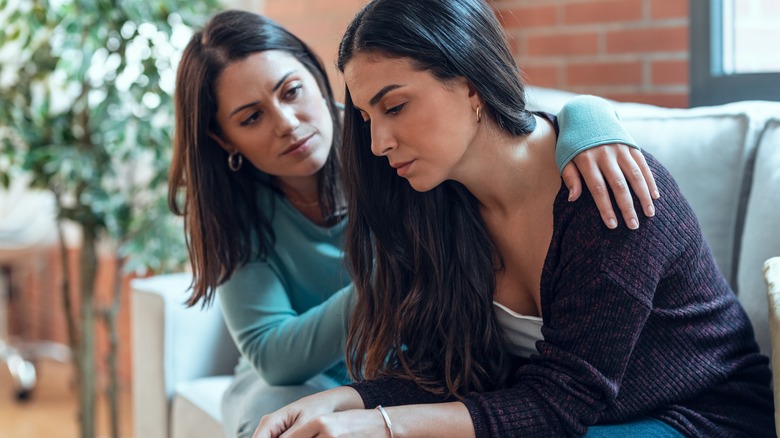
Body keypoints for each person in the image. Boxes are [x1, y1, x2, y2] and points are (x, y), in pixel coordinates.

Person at [251, 0, 775, 437]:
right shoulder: (440, 205)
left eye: (396, 107)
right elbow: (452, 378)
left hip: (697, 418)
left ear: (471, 84)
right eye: (367, 117)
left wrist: (382, 425)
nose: (378, 142)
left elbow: (560, 403)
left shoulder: (606, 191)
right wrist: (345, 401)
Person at [168, 9, 663, 438]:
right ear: (224, 138)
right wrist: (399, 270)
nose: (288, 123)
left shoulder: (403, 150)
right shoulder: (244, 207)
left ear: (316, 79)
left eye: (292, 91)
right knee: (271, 407)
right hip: (330, 373)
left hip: (408, 360)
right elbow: (275, 358)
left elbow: (504, 116)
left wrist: (591, 119)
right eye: (251, 117)